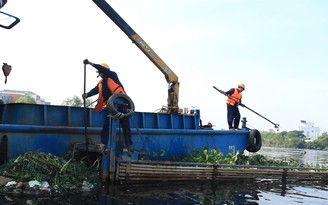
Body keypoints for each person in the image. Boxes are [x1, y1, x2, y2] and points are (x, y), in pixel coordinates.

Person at [82, 59, 132, 151]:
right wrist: (87, 94)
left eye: (101, 71)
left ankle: (129, 145)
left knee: (125, 126)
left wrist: (90, 63)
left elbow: (103, 69)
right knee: (107, 125)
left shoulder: (113, 75)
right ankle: (105, 143)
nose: (100, 73)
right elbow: (95, 90)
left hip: (121, 104)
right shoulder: (101, 83)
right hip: (110, 107)